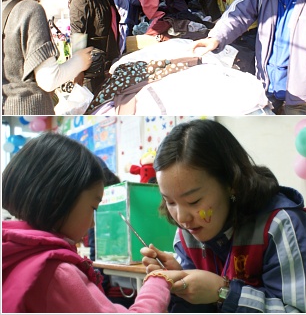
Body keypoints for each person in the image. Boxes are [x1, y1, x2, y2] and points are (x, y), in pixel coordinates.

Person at [140, 119, 306, 313]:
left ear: (231, 182)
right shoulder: (187, 234)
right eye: (170, 202)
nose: (181, 218)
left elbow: (298, 310)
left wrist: (224, 293)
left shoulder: (280, 225)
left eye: (194, 201)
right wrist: (182, 283)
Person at [2, 132, 188, 313]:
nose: (92, 224)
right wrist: (158, 280)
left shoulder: (14, 250)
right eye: (93, 208)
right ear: (59, 197)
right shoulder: (58, 272)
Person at [2, 0, 93, 115]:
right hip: (31, 109)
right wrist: (80, 61)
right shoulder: (30, 9)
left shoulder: (5, 6)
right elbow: (48, 79)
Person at [69, 0, 150, 96]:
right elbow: (77, 35)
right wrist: (78, 70)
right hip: (92, 70)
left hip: (108, 61)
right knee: (93, 102)